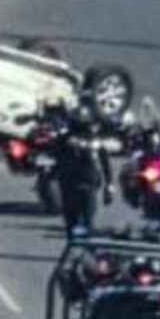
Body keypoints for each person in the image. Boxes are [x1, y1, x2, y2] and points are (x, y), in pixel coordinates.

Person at [54, 98, 114, 237]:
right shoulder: (64, 139)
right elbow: (54, 155)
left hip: (88, 183)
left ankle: (86, 246)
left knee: (88, 220)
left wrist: (109, 185)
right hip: (69, 183)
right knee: (71, 220)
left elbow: (105, 162)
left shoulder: (94, 141)